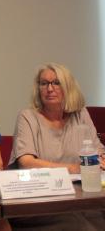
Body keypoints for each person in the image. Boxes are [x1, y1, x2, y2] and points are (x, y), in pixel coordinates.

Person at [8, 63, 105, 230]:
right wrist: (75, 168)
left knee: (94, 218)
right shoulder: (28, 117)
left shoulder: (80, 114)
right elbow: (27, 162)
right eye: (44, 83)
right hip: (40, 200)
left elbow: (98, 152)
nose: (49, 89)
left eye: (56, 83)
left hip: (79, 199)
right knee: (79, 225)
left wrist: (102, 160)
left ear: (68, 87)